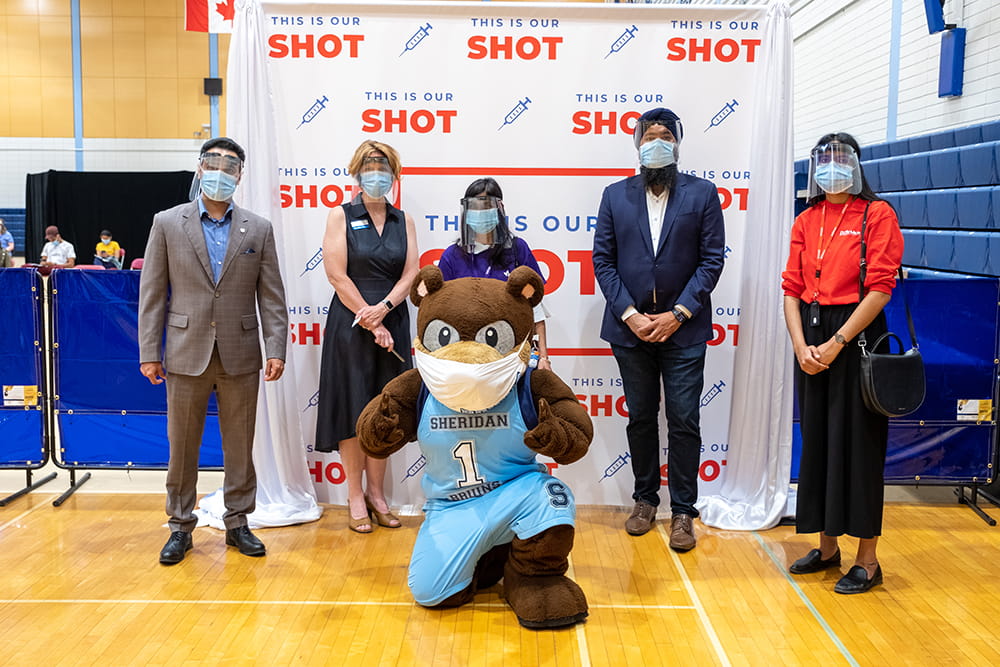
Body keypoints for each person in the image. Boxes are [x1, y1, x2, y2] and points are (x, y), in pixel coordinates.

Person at [138, 137, 288, 565]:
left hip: (241, 352)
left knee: (240, 445)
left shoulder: (258, 228)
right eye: (214, 163)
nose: (221, 172)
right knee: (181, 445)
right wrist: (150, 350)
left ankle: (238, 522)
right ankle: (180, 526)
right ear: (200, 169)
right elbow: (152, 294)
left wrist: (275, 346)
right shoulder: (167, 222)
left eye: (230, 166)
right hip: (185, 351)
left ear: (240, 176)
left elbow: (272, 297)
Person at [592, 107, 725, 549]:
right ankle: (645, 500)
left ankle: (684, 510)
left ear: (677, 143)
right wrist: (631, 313)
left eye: (665, 134)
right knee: (641, 417)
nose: (657, 141)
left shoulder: (703, 194)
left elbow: (711, 260)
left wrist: (679, 313)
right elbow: (603, 262)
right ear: (637, 144)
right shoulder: (614, 196)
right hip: (630, 331)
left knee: (684, 419)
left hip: (683, 331)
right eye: (649, 135)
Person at [781, 132, 903, 594]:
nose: (832, 167)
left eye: (840, 158)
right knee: (819, 442)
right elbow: (790, 289)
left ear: (855, 165)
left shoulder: (877, 214)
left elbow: (881, 288)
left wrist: (836, 342)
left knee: (860, 446)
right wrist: (800, 345)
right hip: (810, 337)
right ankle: (827, 546)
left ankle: (867, 560)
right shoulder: (807, 218)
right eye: (824, 159)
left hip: (857, 335)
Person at [314, 140, 419, 533]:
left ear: (394, 174)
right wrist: (370, 320)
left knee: (386, 410)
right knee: (353, 407)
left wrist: (385, 311)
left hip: (393, 318)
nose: (377, 173)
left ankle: (378, 494)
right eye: (370, 165)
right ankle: (354, 496)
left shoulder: (403, 220)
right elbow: (336, 274)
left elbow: (411, 274)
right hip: (351, 323)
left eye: (384, 166)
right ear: (356, 172)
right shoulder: (339, 215)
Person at [437, 178, 552, 370]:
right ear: (466, 211)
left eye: (487, 205)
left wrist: (543, 358)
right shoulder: (453, 255)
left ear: (500, 207)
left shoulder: (517, 249)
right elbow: (441, 310)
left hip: (512, 354)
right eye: (475, 206)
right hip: (466, 357)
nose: (481, 213)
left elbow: (535, 309)